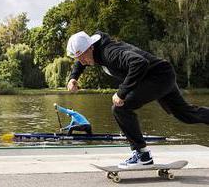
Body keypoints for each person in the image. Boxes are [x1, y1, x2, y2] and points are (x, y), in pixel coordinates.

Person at [66, 31, 209, 169]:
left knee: (120, 108)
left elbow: (139, 63)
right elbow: (80, 61)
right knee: (186, 114)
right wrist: (73, 77)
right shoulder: (93, 48)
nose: (82, 62)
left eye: (83, 56)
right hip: (163, 74)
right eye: (78, 58)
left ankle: (143, 155)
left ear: (91, 46)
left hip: (157, 78)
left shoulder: (109, 53)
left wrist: (121, 93)